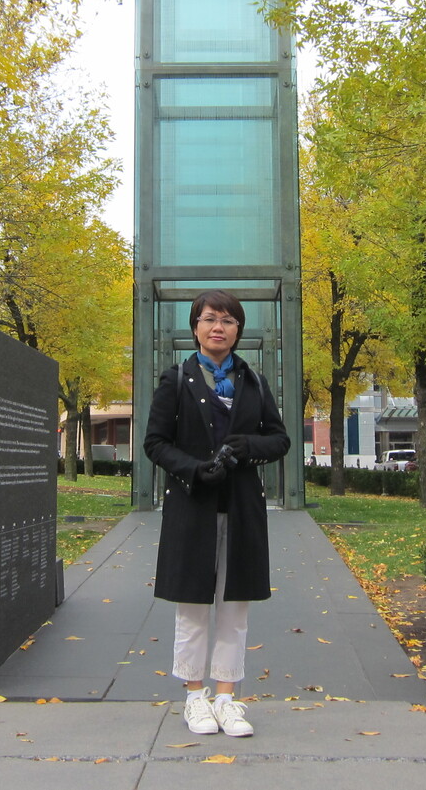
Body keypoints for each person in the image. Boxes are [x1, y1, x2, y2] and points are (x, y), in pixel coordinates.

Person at [143, 290, 290, 738]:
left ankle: (226, 698)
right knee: (192, 606)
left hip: (242, 509)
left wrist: (250, 447)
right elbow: (155, 442)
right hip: (193, 508)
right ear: (195, 328)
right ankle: (194, 697)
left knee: (234, 607)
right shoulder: (175, 379)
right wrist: (193, 469)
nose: (218, 328)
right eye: (209, 319)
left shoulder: (254, 381)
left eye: (227, 320)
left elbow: (279, 439)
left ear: (238, 330)